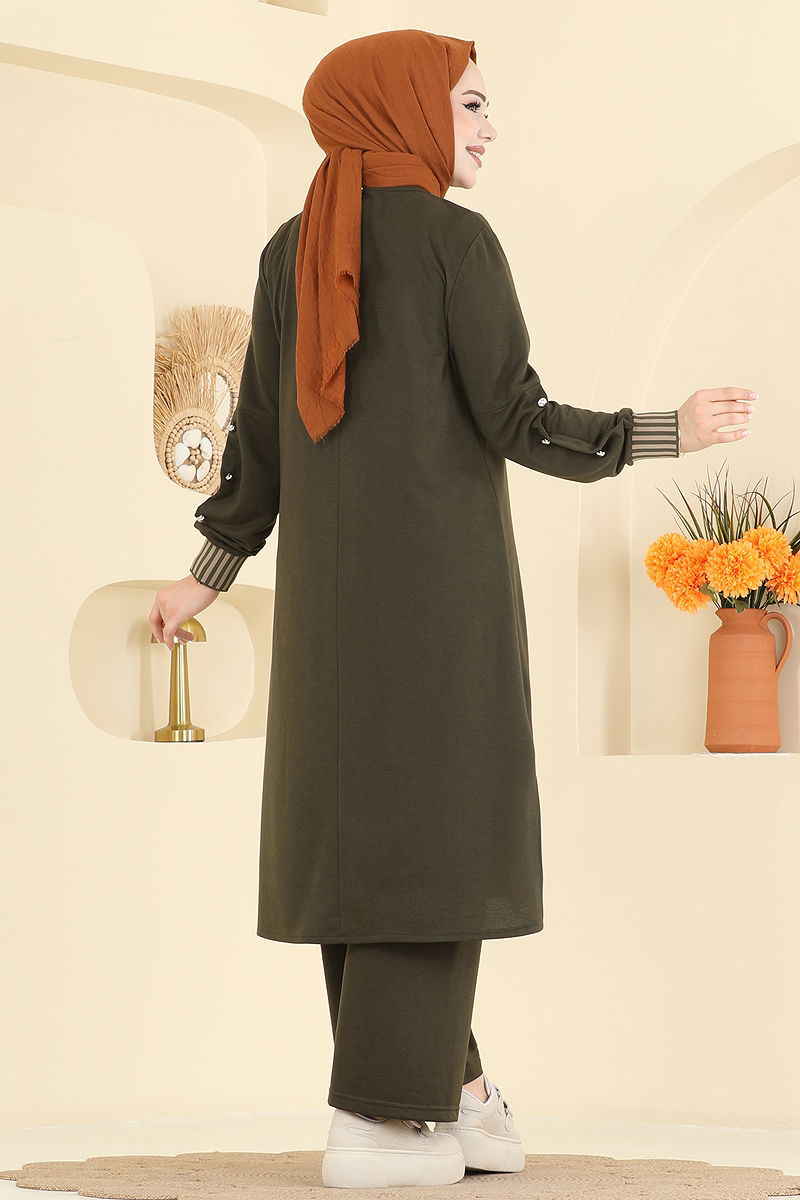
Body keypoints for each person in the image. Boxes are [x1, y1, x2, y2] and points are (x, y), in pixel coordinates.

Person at [149, 29, 756, 1190]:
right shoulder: (452, 241)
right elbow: (517, 419)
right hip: (439, 602)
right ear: (401, 109)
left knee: (360, 838)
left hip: (329, 615)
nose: (486, 128)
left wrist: (206, 574)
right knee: (431, 837)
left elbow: (256, 445)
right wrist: (662, 431)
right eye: (469, 104)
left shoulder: (290, 249)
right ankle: (381, 1120)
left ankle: (456, 1090)